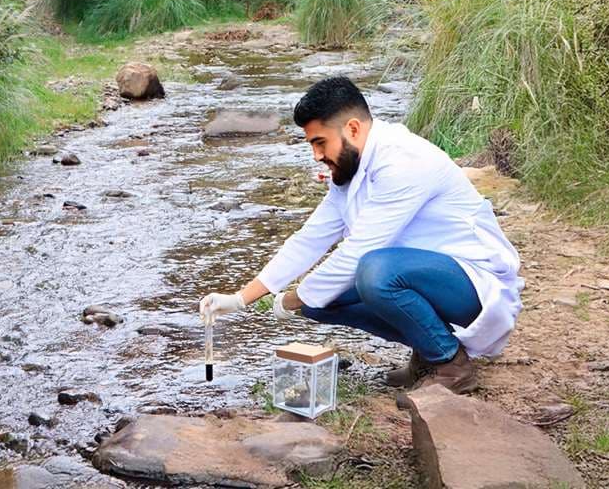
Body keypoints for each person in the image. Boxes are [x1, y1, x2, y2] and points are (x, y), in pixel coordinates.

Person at [199, 76, 524, 394]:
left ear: (352, 129)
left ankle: (450, 363)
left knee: (373, 271)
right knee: (319, 302)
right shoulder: (351, 168)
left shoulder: (404, 161)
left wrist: (291, 298)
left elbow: (358, 254)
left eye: (319, 142)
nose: (316, 155)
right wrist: (240, 299)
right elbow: (309, 238)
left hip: (474, 285)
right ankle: (427, 351)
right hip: (426, 278)